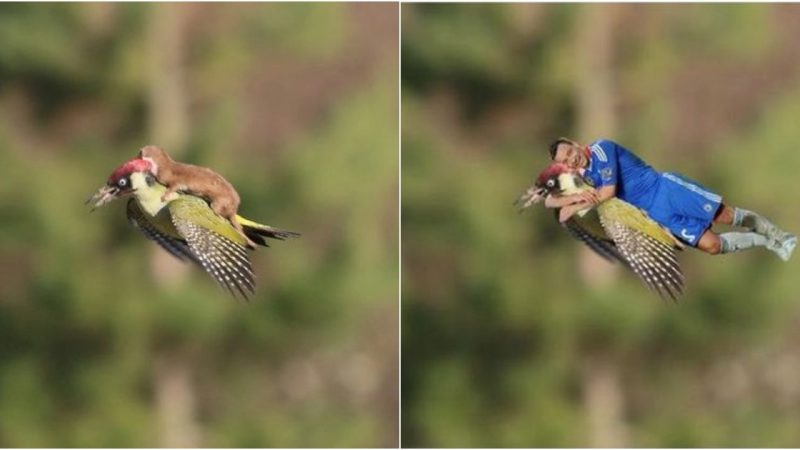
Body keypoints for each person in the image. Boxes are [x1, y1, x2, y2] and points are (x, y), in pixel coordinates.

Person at [545, 137, 796, 261]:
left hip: (666, 190)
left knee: (726, 216)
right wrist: (565, 203)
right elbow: (548, 200)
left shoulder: (602, 149)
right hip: (656, 213)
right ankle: (766, 242)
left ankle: (780, 236)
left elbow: (608, 192)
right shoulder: (583, 177)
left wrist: (576, 204)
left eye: (570, 152)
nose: (571, 159)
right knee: (712, 246)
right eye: (565, 161)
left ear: (576, 144)